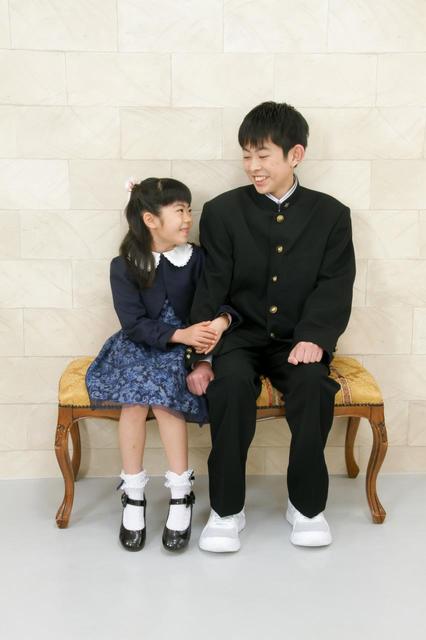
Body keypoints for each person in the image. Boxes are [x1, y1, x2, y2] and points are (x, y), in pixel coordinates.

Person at [186, 101, 356, 552]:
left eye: (262, 155)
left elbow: (335, 284)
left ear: (295, 155)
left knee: (313, 387)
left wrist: (315, 338)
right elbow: (211, 286)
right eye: (246, 155)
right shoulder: (222, 212)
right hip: (238, 337)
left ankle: (306, 506)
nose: (252, 166)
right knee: (229, 387)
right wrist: (201, 356)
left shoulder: (331, 215)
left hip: (298, 340)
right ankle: (226, 509)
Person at [86, 177, 234, 552]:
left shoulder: (197, 259)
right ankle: (133, 494)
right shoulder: (124, 265)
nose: (188, 218)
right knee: (135, 400)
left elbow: (218, 302)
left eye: (189, 210)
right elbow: (133, 325)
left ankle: (181, 492)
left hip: (181, 351)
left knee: (166, 396)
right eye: (179, 210)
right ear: (150, 219)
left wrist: (203, 349)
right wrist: (180, 334)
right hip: (138, 345)